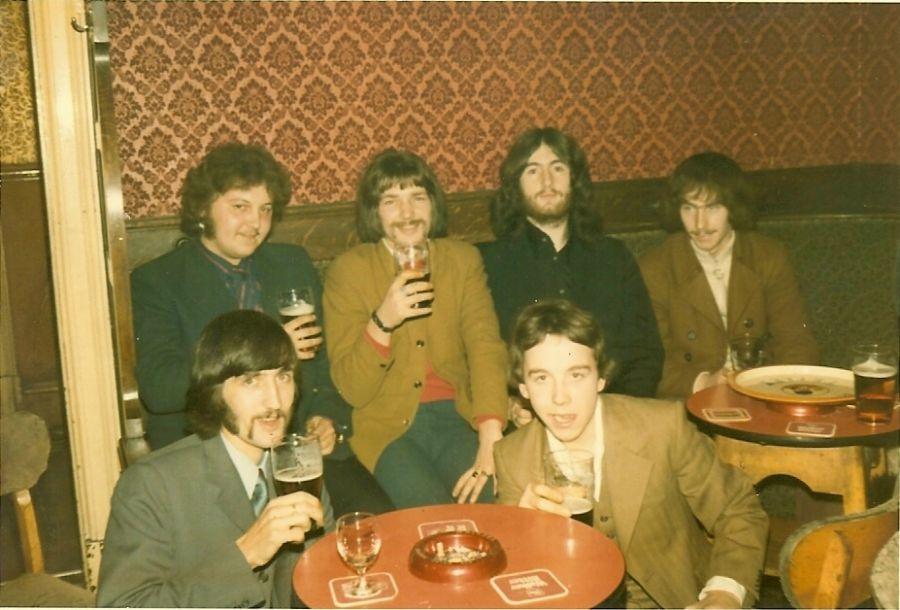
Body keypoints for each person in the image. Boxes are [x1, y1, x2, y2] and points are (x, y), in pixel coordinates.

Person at [130, 142, 393, 515]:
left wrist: (325, 418)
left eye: (265, 209)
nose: (255, 223)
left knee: (374, 521)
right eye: (240, 207)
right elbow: (160, 389)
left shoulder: (290, 265)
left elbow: (321, 366)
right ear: (204, 208)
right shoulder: (160, 280)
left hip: (296, 448)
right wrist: (265, 347)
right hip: (214, 453)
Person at [494, 299, 768, 609]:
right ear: (524, 388)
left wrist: (724, 594)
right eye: (542, 378)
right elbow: (512, 579)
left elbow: (738, 509)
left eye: (576, 375)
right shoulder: (511, 457)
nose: (560, 398)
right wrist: (521, 532)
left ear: (601, 378)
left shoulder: (661, 427)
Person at [98, 310, 327, 607]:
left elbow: (322, 579)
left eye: (283, 377)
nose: (274, 401)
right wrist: (245, 555)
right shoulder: (151, 485)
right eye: (250, 381)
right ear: (215, 392)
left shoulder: (298, 468)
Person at [323, 148, 508, 508]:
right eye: (391, 201)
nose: (407, 213)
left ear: (432, 205)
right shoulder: (349, 271)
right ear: (375, 212)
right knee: (433, 517)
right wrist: (383, 321)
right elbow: (352, 390)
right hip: (389, 427)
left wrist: (490, 436)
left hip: (457, 417)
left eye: (417, 198)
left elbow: (486, 346)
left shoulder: (462, 260)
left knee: (490, 503)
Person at [478, 127, 663, 426]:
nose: (547, 182)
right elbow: (477, 357)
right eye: (532, 171)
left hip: (611, 418)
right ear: (515, 185)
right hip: (526, 422)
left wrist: (615, 415)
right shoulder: (488, 263)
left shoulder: (614, 257)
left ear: (575, 180)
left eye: (558, 168)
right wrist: (508, 404)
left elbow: (644, 354)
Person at [639, 152, 818, 400]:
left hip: (765, 392)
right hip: (690, 400)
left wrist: (778, 394)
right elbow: (649, 359)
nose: (700, 224)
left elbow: (796, 342)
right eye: (689, 208)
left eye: (712, 207)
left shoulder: (768, 256)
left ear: (733, 207)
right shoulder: (656, 268)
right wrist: (704, 382)